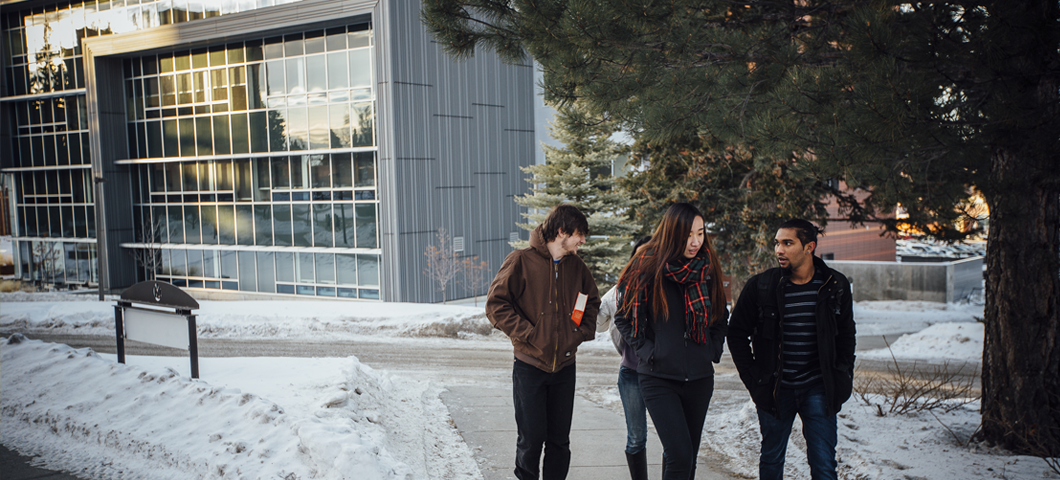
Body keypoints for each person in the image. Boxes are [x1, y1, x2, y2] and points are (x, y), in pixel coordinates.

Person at [726, 219, 856, 480]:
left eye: (787, 243)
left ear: (809, 247)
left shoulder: (834, 285)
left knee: (823, 465)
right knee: (772, 460)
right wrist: (754, 379)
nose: (778, 250)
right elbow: (736, 333)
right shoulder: (762, 286)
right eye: (776, 243)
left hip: (818, 387)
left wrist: (841, 376)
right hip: (776, 389)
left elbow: (846, 335)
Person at [485, 204, 601, 480]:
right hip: (529, 368)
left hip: (564, 368)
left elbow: (591, 302)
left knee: (560, 442)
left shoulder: (577, 267)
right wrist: (529, 333)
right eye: (579, 234)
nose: (582, 240)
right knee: (531, 440)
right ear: (561, 231)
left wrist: (579, 332)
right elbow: (496, 305)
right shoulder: (521, 261)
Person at [614, 203, 728, 480]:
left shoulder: (707, 267)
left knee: (688, 459)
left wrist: (712, 349)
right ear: (672, 232)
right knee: (680, 455)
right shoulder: (646, 266)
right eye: (689, 234)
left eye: (700, 233)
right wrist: (648, 351)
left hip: (700, 378)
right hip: (658, 377)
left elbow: (720, 313)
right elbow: (623, 318)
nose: (696, 241)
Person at [596, 236, 652, 480]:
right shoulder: (620, 291)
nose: (644, 261)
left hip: (663, 373)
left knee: (674, 439)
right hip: (631, 373)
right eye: (639, 256)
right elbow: (598, 323)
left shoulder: (668, 288)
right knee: (637, 437)